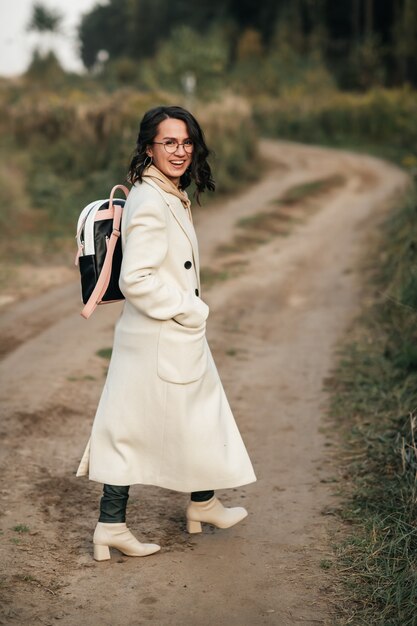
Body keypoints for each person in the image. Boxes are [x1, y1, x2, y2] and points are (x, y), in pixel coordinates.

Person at [76, 105, 256, 561]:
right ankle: (115, 526)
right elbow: (136, 278)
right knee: (130, 430)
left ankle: (200, 504)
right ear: (148, 148)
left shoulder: (165, 191)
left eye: (186, 142)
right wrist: (188, 309)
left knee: (193, 417)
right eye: (168, 142)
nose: (179, 151)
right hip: (161, 335)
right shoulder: (151, 200)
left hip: (166, 336)